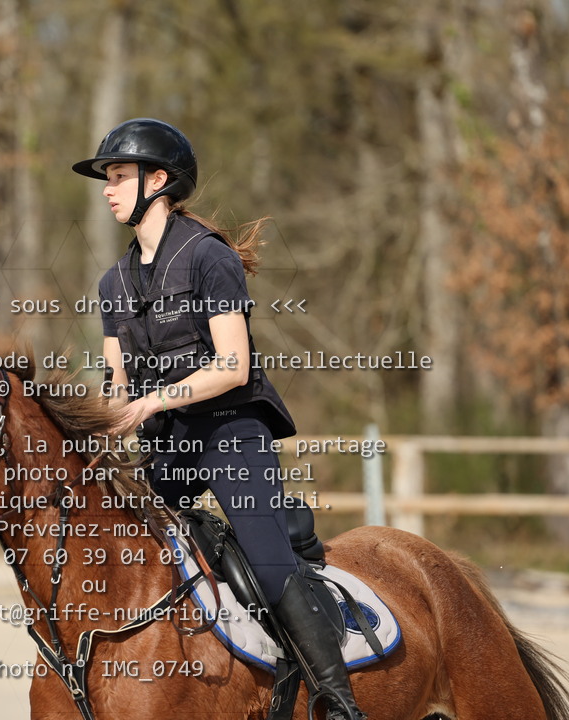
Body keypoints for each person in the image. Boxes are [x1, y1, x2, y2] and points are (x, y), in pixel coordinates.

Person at [73, 118, 366, 720]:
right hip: (169, 445)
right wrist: (95, 431)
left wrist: (153, 401)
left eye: (119, 176)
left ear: (158, 181)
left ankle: (338, 701)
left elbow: (233, 366)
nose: (108, 189)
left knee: (268, 563)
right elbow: (117, 384)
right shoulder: (112, 283)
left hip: (231, 430)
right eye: (107, 178)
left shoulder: (209, 257)